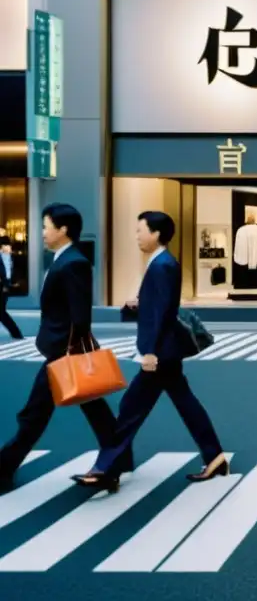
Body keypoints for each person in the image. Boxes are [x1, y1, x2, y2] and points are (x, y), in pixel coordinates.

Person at [73, 211, 227, 493]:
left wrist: (151, 352)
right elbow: (157, 307)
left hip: (161, 353)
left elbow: (164, 313)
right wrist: (137, 305)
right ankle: (214, 455)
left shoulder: (162, 265)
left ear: (155, 234)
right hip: (165, 352)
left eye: (140, 230)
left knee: (131, 408)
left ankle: (106, 468)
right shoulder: (162, 263)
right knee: (183, 403)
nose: (137, 236)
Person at [0, 203, 131, 491]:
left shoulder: (73, 263)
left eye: (46, 227)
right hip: (61, 351)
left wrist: (67, 351)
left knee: (34, 414)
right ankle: (118, 457)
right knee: (92, 405)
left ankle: (4, 467)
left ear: (63, 230)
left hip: (62, 353)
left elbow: (80, 316)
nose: (42, 233)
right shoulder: (64, 259)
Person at [0, 236, 24, 340]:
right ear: (1, 247)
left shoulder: (12, 258)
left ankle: (16, 333)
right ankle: (16, 334)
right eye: (7, 245)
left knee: (1, 312)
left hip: (5, 287)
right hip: (2, 286)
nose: (9, 247)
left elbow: (14, 272)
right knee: (1, 312)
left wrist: (12, 283)